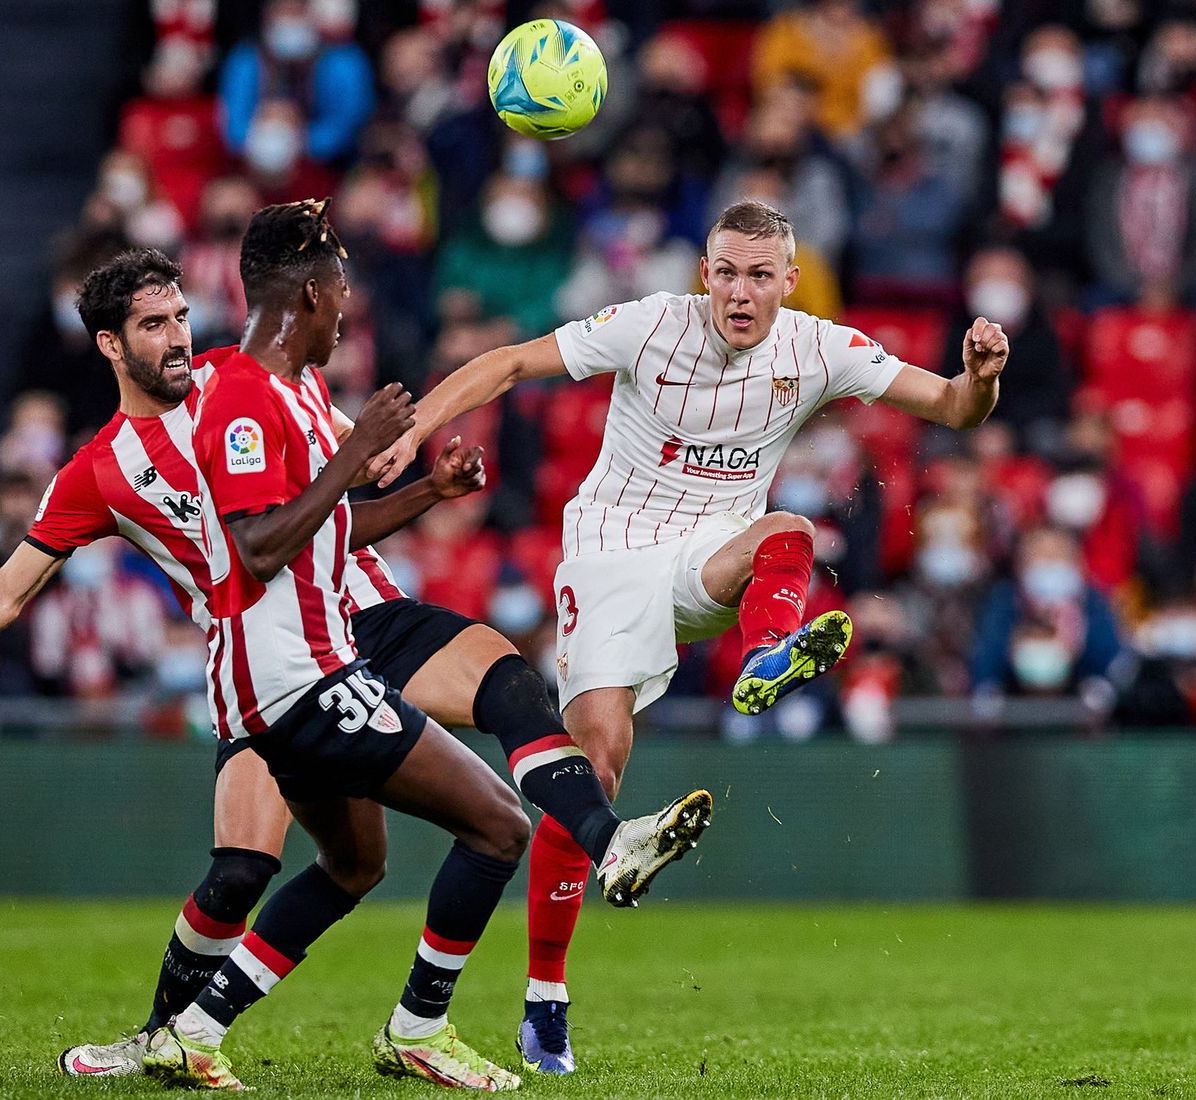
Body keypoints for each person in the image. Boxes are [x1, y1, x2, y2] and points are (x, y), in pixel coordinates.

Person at [0, 234, 705, 1086]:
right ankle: (184, 1035)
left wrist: (423, 487)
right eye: (151, 326)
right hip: (271, 658)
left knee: (481, 717)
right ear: (108, 345)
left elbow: (329, 513)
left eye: (181, 317)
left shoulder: (241, 381)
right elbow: (12, 588)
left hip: (352, 621)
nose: (177, 337)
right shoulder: (102, 471)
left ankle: (250, 1027)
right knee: (258, 863)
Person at [370, 199, 1009, 1074]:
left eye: (760, 275)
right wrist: (415, 428)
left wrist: (981, 377)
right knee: (593, 767)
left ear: (790, 280)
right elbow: (513, 361)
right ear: (703, 272)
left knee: (791, 529)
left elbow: (949, 407)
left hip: (712, 555)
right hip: (610, 553)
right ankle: (544, 1002)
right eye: (727, 272)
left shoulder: (819, 347)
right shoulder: (647, 326)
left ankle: (765, 653)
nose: (740, 293)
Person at [140, 203, 707, 1090]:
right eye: (341, 297)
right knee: (491, 824)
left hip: (329, 644)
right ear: (313, 291)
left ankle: (193, 1030)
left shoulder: (291, 391)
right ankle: (423, 1018)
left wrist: (430, 492)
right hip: (296, 669)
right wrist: (357, 447)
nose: (346, 314)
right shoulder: (245, 396)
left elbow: (331, 526)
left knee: (358, 860)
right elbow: (257, 545)